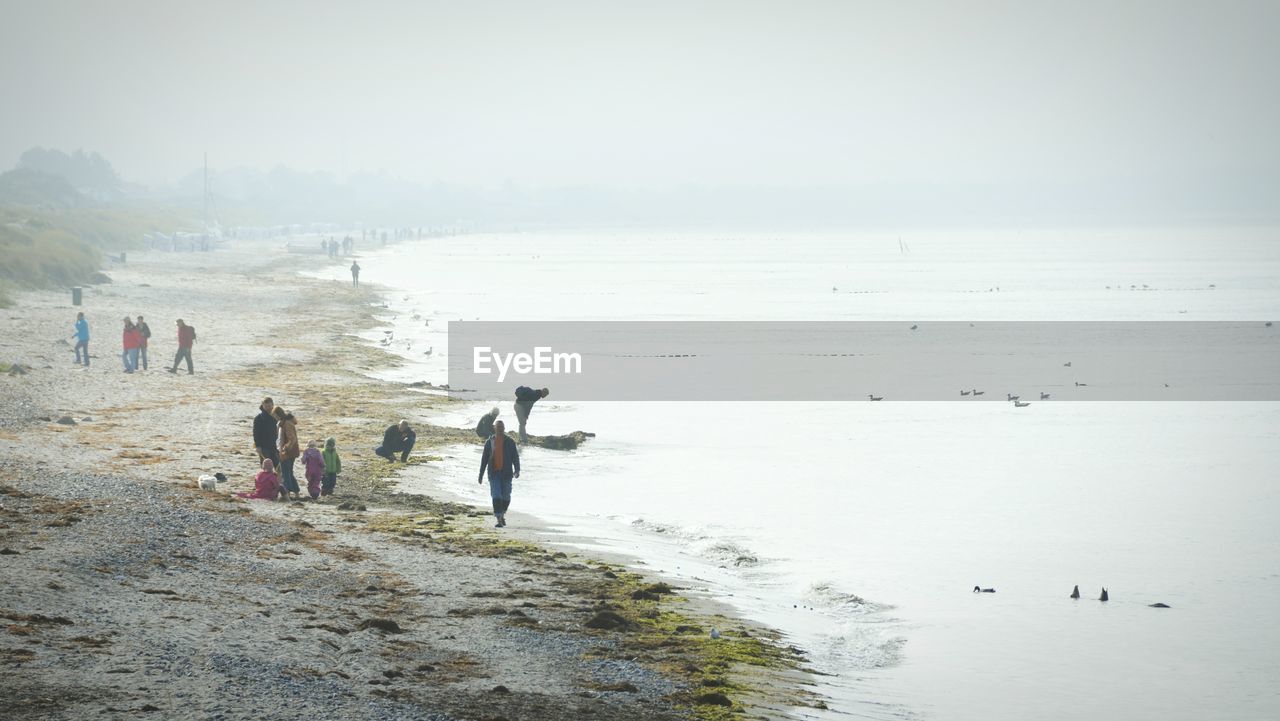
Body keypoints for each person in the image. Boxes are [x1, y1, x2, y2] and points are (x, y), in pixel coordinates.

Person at [477, 420, 519, 527]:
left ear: (504, 428)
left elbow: (515, 457)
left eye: (502, 427)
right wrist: (481, 475)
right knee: (496, 495)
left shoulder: (510, 442)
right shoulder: (489, 442)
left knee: (506, 496)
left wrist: (517, 470)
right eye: (498, 427)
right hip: (494, 473)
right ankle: (499, 518)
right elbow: (484, 459)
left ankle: (502, 514)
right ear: (494, 428)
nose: (500, 429)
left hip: (507, 474)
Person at [274, 406, 301, 500]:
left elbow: (292, 439)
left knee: (286, 473)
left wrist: (285, 448)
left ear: (278, 415)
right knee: (288, 472)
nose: (274, 418)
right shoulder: (283, 423)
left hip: (288, 452)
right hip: (289, 452)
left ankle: (287, 493)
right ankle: (296, 493)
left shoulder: (287, 424)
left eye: (275, 416)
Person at [253, 397, 279, 469]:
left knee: (279, 467)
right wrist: (258, 446)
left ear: (273, 405)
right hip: (264, 447)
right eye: (266, 406)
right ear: (263, 406)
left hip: (276, 445)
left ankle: (278, 480)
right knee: (266, 467)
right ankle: (265, 480)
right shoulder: (259, 418)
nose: (268, 408)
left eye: (270, 406)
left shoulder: (276, 416)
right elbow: (256, 433)